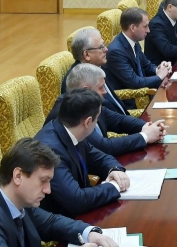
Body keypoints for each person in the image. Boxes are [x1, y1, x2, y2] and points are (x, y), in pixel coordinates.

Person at [0, 137, 118, 246]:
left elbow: (50, 222)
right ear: (18, 176)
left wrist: (90, 234)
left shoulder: (19, 201)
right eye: (43, 180)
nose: (48, 190)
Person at [35, 88, 130, 217]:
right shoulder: (50, 151)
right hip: (61, 221)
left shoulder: (69, 129)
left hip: (82, 209)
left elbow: (98, 157)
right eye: (97, 119)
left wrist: (114, 169)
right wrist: (114, 186)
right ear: (87, 122)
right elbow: (76, 200)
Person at [48, 63, 166, 156]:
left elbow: (119, 120)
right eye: (101, 87)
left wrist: (147, 127)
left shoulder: (89, 103)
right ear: (86, 89)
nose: (105, 92)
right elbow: (104, 147)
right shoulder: (70, 112)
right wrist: (145, 136)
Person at [64, 27, 133, 115]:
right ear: (87, 54)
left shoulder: (97, 68)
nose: (106, 49)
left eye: (104, 45)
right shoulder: (80, 81)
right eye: (101, 47)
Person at [104, 7, 172, 91]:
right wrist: (159, 76)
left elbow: (146, 66)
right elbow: (134, 82)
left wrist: (160, 68)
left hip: (143, 92)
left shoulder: (134, 41)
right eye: (145, 26)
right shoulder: (116, 51)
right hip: (130, 100)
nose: (148, 30)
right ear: (133, 27)